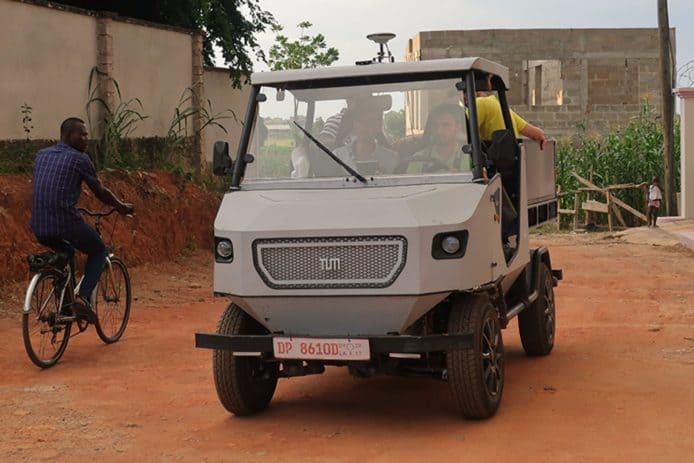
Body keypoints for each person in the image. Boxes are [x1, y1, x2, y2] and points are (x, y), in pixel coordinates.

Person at [30, 117, 134, 320]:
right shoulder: (79, 159)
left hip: (39, 224)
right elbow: (100, 191)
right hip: (64, 222)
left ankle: (65, 305)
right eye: (82, 134)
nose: (87, 138)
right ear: (69, 135)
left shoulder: (42, 154)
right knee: (98, 250)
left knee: (66, 252)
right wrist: (121, 207)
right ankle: (83, 299)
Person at [333, 103, 398, 175]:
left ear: (379, 125)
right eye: (360, 121)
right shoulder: (338, 156)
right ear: (353, 125)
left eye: (370, 121)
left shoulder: (391, 158)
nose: (364, 127)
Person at [409, 103, 469, 173]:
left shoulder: (469, 159)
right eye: (435, 125)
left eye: (446, 125)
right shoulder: (418, 159)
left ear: (458, 127)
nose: (439, 131)